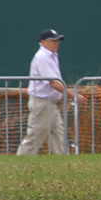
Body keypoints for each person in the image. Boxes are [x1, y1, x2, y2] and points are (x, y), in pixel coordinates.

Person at [18, 28, 75, 156]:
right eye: (53, 41)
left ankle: (64, 162)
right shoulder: (42, 57)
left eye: (58, 40)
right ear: (42, 42)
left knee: (58, 135)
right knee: (35, 136)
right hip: (42, 103)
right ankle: (21, 160)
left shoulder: (51, 56)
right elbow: (53, 82)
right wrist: (73, 94)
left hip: (50, 104)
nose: (56, 43)